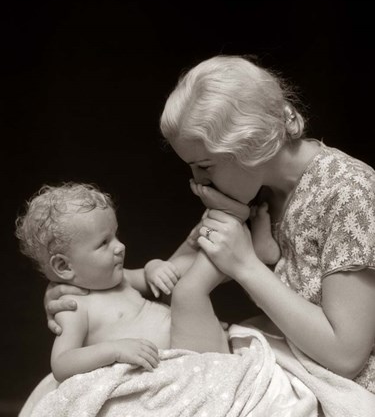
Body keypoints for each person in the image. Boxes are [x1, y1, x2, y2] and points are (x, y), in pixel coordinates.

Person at [45, 54, 375, 394]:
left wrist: (246, 265)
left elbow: (346, 356)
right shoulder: (258, 190)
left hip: (344, 380)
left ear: (248, 146)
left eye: (204, 165)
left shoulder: (349, 192)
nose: (197, 182)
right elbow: (174, 277)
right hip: (287, 352)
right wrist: (84, 295)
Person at [17, 181, 277, 381]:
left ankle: (253, 251)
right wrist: (115, 350)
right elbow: (62, 363)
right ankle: (239, 236)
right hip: (188, 360)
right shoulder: (74, 306)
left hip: (194, 337)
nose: (120, 247)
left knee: (171, 273)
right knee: (187, 290)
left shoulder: (116, 279)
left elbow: (145, 275)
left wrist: (153, 268)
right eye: (103, 243)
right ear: (64, 266)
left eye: (115, 236)